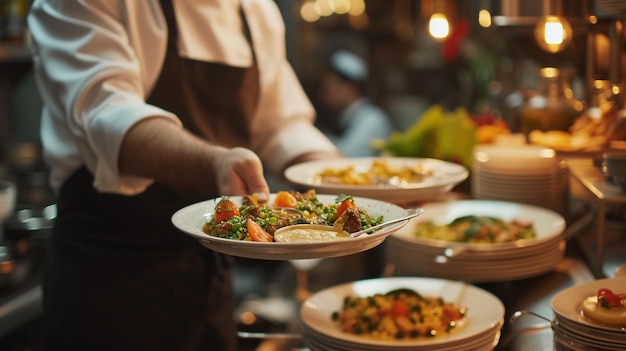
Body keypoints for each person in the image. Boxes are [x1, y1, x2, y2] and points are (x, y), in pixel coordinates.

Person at [27, 1, 341, 350]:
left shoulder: (255, 9)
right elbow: (110, 118)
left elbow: (279, 123)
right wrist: (214, 162)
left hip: (209, 276)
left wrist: (334, 172)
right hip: (110, 277)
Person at [316, 49, 393, 157]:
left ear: (351, 88)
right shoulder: (343, 117)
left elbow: (343, 158)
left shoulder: (373, 120)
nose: (322, 94)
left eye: (328, 87)